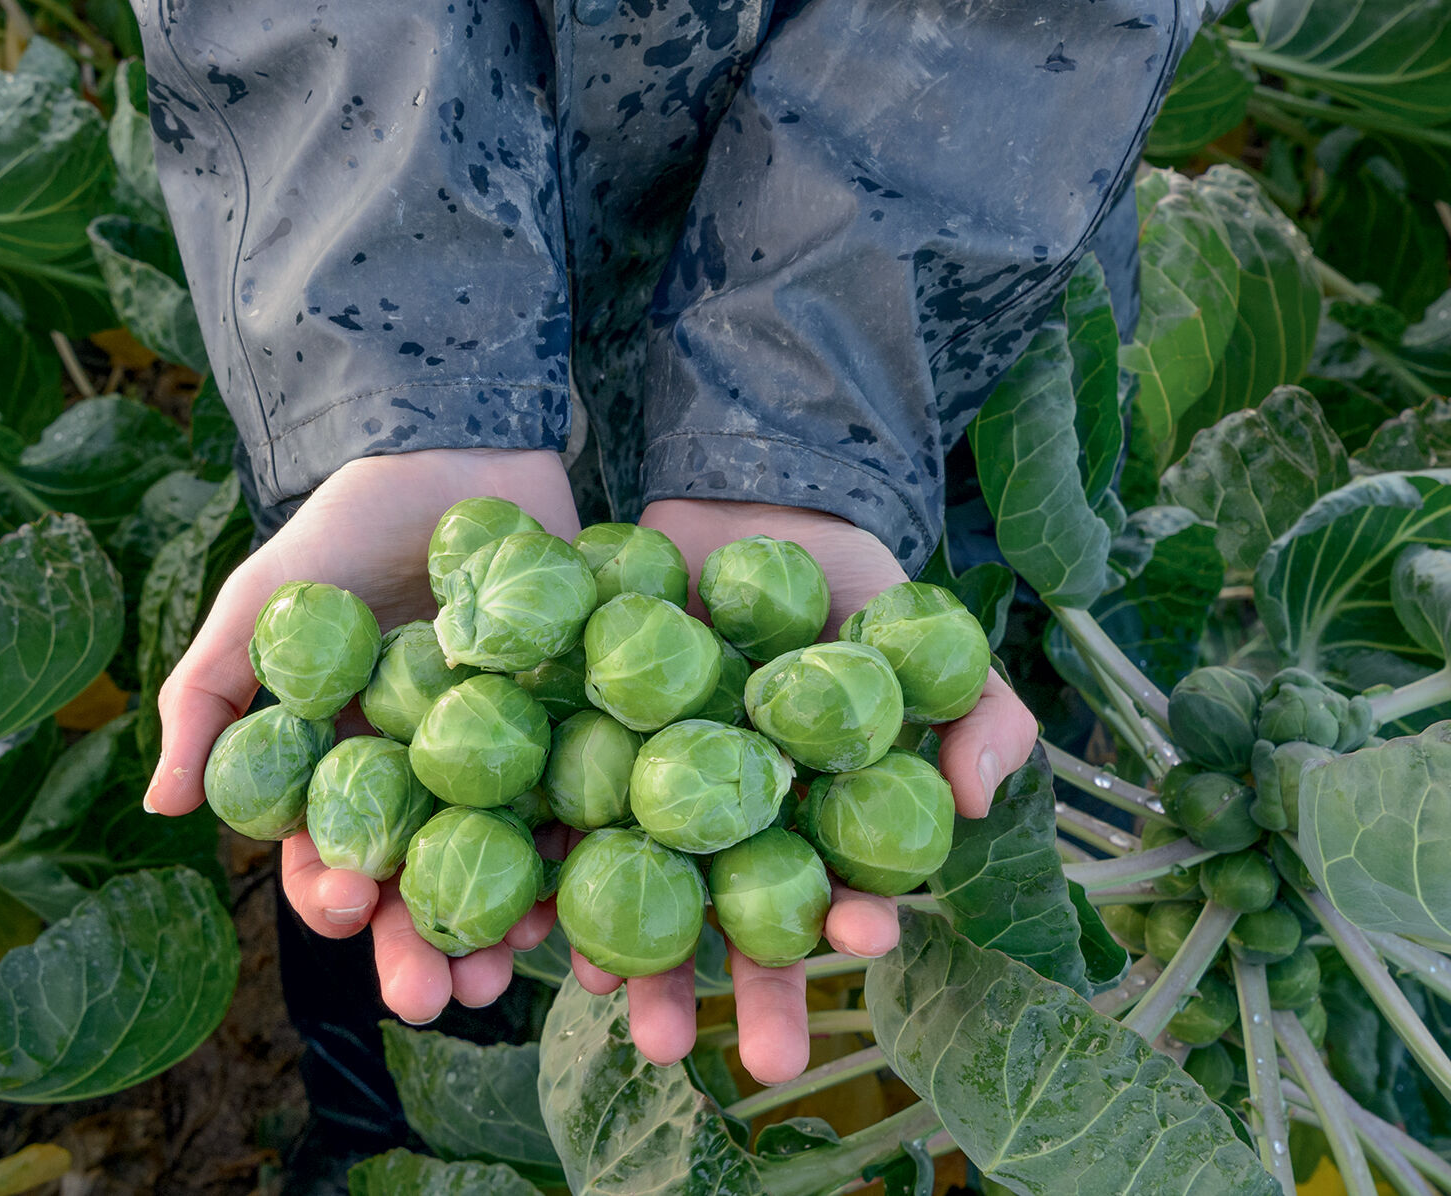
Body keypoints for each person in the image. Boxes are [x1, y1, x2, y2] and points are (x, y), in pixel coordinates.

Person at [135, 0, 1209, 1140]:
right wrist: (410, 391)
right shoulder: (473, 645)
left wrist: (799, 436)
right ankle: (371, 1113)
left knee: (988, 626)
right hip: (456, 308)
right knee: (370, 899)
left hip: (916, 331)